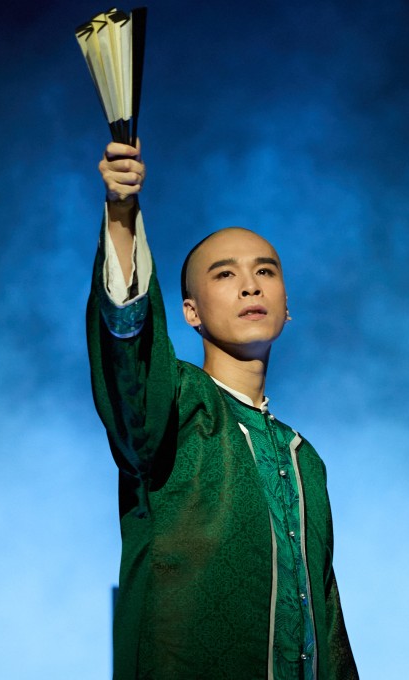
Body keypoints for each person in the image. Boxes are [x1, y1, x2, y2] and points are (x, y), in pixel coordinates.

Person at [87, 140, 359, 680]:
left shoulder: (306, 460)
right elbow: (128, 353)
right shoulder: (176, 406)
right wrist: (121, 215)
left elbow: (327, 621)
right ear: (190, 311)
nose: (250, 284)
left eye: (266, 271)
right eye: (225, 275)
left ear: (287, 306)